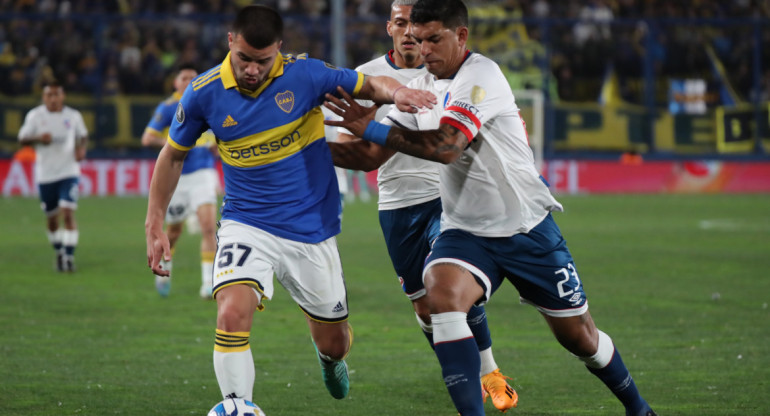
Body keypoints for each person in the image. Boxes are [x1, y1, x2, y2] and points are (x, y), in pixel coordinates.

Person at [324, 1, 657, 415]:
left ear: (460, 36)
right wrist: (304, 149)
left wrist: (371, 125)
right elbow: (372, 155)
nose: (423, 48)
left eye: (433, 39)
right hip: (465, 232)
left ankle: (639, 408)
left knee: (580, 338)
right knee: (440, 295)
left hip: (525, 228)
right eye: (419, 38)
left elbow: (446, 147)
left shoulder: (480, 76)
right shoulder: (426, 85)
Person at [144, 4, 435, 404]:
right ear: (230, 41)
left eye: (261, 61)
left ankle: (329, 359)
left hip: (311, 230)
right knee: (231, 312)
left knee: (335, 342)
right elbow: (172, 155)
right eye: (243, 57)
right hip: (246, 222)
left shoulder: (306, 74)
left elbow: (370, 85)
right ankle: (237, 406)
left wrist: (399, 91)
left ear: (279, 50)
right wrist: (154, 222)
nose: (250, 69)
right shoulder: (203, 93)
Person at [328, 0, 517, 412]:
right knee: (425, 305)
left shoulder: (450, 70)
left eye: (416, 26)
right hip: (397, 203)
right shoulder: (368, 78)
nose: (410, 34)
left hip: (447, 196)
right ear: (391, 28)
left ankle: (489, 373)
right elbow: (353, 149)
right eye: (401, 24)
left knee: (452, 287)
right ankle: (461, 368)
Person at [142, 64, 219, 299]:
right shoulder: (167, 108)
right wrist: (173, 144)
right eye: (183, 77)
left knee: (208, 226)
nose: (188, 81)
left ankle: (208, 284)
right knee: (173, 232)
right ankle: (164, 271)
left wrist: (216, 145)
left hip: (203, 173)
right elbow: (148, 138)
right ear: (176, 83)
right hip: (178, 177)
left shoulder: (210, 102)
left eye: (193, 77)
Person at [18, 81, 88, 273]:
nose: (53, 98)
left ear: (62, 96)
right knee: (52, 218)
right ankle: (58, 251)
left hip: (69, 171)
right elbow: (22, 138)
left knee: (67, 212)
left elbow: (83, 135)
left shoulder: (73, 116)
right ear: (44, 97)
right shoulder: (35, 116)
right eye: (49, 95)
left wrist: (81, 149)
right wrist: (39, 138)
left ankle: (69, 256)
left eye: (56, 94)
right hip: (46, 175)